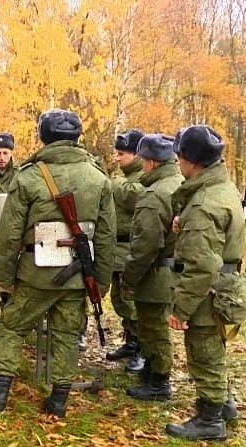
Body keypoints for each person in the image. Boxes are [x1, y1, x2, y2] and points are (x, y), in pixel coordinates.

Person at [0, 109, 115, 417]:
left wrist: (4, 277)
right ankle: (59, 401)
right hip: (76, 276)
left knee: (12, 327)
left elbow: (8, 235)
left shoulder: (28, 177)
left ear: (43, 136)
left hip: (35, 275)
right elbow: (106, 238)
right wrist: (101, 282)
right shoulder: (99, 178)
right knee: (67, 335)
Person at [164, 125, 246, 441]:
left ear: (192, 161)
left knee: (204, 352)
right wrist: (184, 221)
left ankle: (210, 419)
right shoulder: (221, 188)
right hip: (224, 284)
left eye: (180, 156)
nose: (177, 162)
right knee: (215, 348)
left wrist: (181, 309)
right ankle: (224, 405)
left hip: (208, 291)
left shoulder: (203, 204)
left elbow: (201, 267)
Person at [119, 134, 183, 401]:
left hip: (157, 273)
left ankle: (158, 381)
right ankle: (152, 372)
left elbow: (145, 246)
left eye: (144, 160)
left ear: (152, 162)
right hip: (175, 270)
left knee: (153, 328)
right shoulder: (180, 183)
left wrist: (129, 280)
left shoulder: (155, 195)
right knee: (154, 325)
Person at [105, 128, 147, 374]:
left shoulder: (143, 176)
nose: (117, 158)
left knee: (133, 302)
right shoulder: (126, 176)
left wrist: (116, 183)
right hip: (117, 247)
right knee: (120, 299)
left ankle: (142, 348)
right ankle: (131, 342)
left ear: (136, 154)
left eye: (122, 154)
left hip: (132, 247)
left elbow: (134, 198)